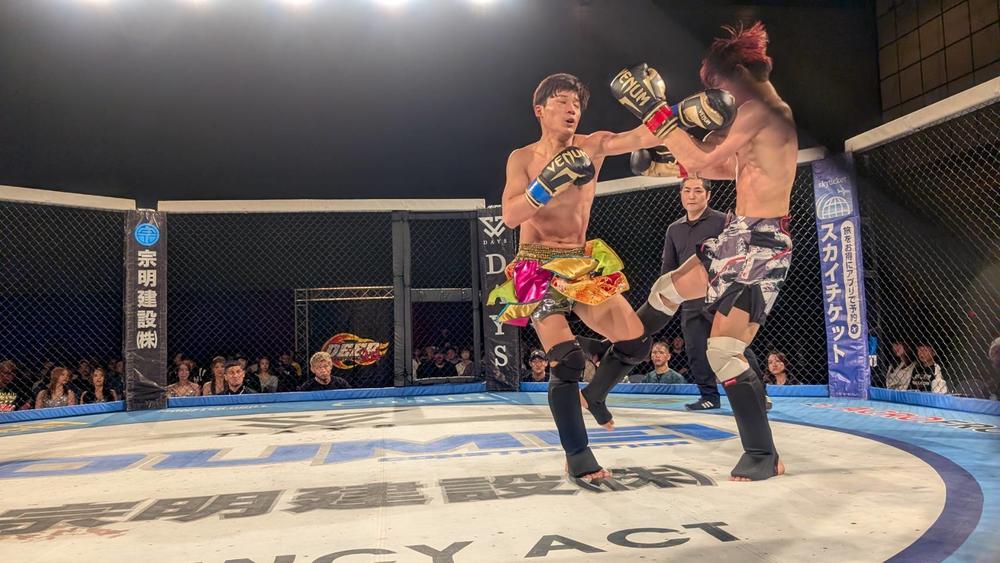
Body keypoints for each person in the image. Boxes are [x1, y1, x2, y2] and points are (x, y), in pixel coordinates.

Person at [490, 71, 732, 482]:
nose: (571, 109)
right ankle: (578, 455)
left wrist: (683, 112)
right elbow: (511, 215)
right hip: (535, 265)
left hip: (579, 261)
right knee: (567, 360)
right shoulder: (523, 158)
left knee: (636, 341)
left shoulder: (593, 145)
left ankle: (596, 394)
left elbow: (641, 136)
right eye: (562, 101)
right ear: (540, 110)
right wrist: (545, 185)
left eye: (576, 103)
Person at [610, 22, 793, 481]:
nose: (720, 96)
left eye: (719, 85)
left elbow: (705, 162)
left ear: (736, 74)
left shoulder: (761, 108)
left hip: (761, 242)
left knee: (725, 351)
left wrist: (656, 113)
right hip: (740, 234)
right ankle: (620, 355)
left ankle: (763, 454)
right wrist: (669, 162)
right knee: (666, 289)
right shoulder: (763, 114)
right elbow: (729, 168)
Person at [633, 171, 726, 408]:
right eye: (687, 191)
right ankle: (709, 397)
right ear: (681, 195)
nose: (691, 196)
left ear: (708, 195)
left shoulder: (723, 221)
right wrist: (667, 297)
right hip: (691, 299)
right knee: (695, 349)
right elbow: (668, 268)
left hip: (721, 296)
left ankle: (758, 393)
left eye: (698, 191)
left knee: (731, 345)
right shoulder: (674, 229)